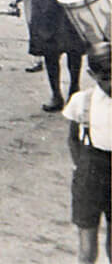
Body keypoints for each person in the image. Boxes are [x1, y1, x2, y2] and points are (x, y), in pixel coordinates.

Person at [63, 43, 111, 264]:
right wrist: (82, 166)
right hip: (90, 174)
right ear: (92, 74)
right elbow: (73, 138)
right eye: (105, 77)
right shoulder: (83, 101)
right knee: (86, 245)